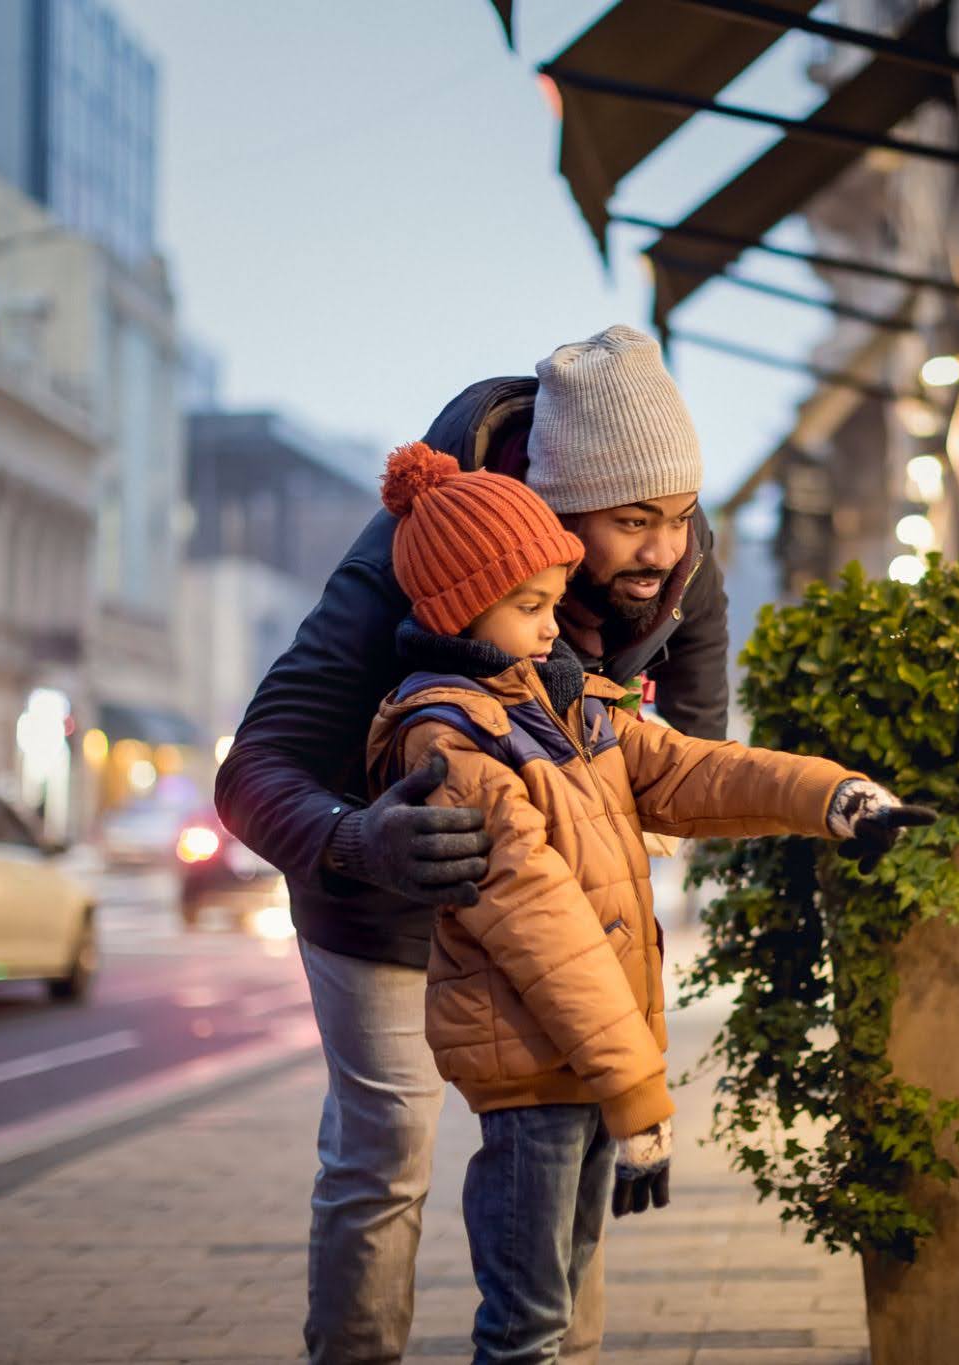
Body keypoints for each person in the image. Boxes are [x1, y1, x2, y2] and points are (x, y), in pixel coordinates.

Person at [216, 326, 735, 1363]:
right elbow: (251, 772)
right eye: (634, 523)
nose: (665, 550)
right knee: (386, 1154)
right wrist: (358, 839)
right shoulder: (404, 568)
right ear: (550, 507)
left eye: (678, 520)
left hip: (549, 905)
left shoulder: (673, 549)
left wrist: (650, 803)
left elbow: (695, 714)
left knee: (577, 1140)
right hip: (384, 888)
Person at [363, 443, 933, 1363]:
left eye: (556, 600)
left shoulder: (568, 706)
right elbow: (543, 927)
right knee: (525, 1328)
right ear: (464, 607)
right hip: (534, 1074)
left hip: (582, 1062)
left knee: (551, 1310)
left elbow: (700, 770)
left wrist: (833, 796)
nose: (556, 626)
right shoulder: (456, 741)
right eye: (532, 606)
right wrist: (636, 1094)